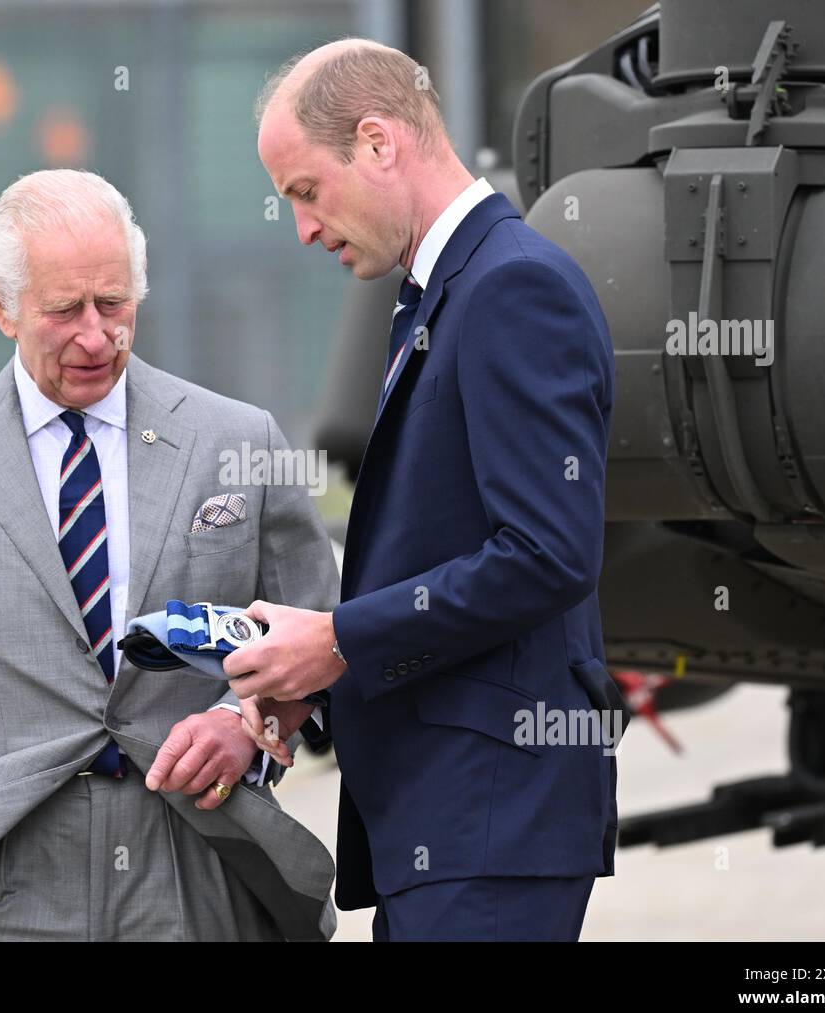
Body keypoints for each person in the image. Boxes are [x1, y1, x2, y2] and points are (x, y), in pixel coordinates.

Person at [0, 168, 339, 941]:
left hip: (201, 869)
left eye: (115, 303)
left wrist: (247, 724)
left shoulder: (240, 443)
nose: (97, 336)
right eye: (65, 310)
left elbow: (317, 633)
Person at [227, 38, 621, 941]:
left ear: (377, 143)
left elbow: (546, 553)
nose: (303, 228)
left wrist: (336, 642)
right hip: (457, 823)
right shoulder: (452, 289)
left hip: (490, 821)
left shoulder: (512, 287)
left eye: (305, 191)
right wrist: (324, 676)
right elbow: (449, 546)